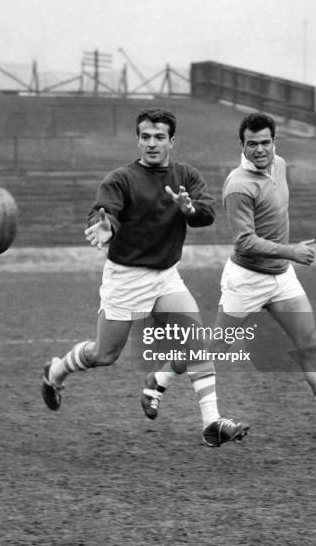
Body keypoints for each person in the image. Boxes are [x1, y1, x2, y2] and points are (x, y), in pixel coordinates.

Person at [41, 107, 249, 446]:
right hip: (125, 278)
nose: (151, 144)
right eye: (145, 137)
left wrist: (190, 210)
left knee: (196, 340)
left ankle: (211, 423)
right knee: (103, 355)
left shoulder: (186, 175)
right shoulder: (121, 179)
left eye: (159, 137)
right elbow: (104, 210)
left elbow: (207, 212)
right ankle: (56, 371)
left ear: (171, 141)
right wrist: (104, 226)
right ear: (138, 140)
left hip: (165, 276)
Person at [207, 111, 316, 441]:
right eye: (252, 144)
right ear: (243, 145)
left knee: (309, 342)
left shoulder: (279, 166)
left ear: (274, 142)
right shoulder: (237, 185)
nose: (260, 150)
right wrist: (291, 251)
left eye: (265, 142)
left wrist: (286, 257)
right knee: (214, 350)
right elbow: (244, 241)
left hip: (281, 278)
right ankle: (161, 378)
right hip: (247, 279)